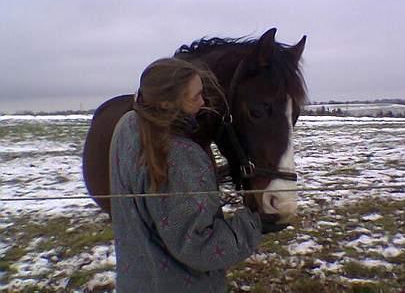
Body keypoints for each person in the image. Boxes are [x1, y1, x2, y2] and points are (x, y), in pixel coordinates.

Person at [110, 58, 284, 293]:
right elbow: (201, 247)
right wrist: (253, 225)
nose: (203, 103)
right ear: (165, 104)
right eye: (195, 97)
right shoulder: (180, 155)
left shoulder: (127, 126)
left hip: (136, 281)